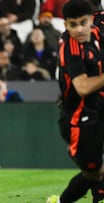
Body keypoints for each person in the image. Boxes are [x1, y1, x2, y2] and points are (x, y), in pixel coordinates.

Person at [47, 0, 104, 202]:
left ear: (91, 20)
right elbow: (83, 87)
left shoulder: (96, 34)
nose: (79, 29)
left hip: (96, 111)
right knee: (94, 174)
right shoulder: (70, 48)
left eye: (83, 22)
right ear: (65, 25)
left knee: (97, 173)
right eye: (73, 24)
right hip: (78, 121)